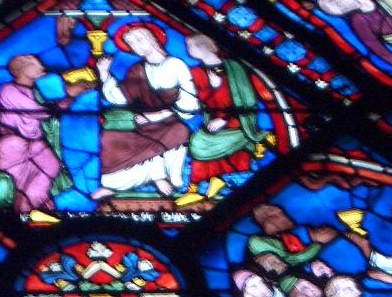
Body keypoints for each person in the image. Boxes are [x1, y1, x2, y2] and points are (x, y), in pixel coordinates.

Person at [96, 23, 198, 200]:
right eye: (131, 43)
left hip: (170, 123)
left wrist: (159, 115)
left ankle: (162, 177)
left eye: (139, 39)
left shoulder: (175, 64)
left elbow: (189, 102)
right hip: (142, 125)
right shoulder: (137, 70)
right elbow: (120, 98)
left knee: (179, 132)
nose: (136, 45)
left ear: (153, 38)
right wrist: (104, 73)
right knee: (107, 139)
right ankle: (116, 184)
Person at [183, 34, 271, 203]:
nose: (189, 50)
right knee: (200, 142)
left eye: (191, 46)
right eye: (188, 47)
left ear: (204, 46)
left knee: (200, 142)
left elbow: (247, 96)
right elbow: (202, 99)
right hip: (212, 117)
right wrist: (214, 88)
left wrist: (225, 118)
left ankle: (205, 183)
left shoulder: (235, 68)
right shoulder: (197, 72)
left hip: (239, 119)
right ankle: (199, 187)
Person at [0, 55, 69, 219]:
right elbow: (36, 111)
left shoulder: (35, 93)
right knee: (21, 182)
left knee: (52, 167)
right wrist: (66, 97)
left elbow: (51, 110)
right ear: (22, 70)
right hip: (12, 145)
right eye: (34, 64)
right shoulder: (8, 90)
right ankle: (26, 212)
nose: (41, 66)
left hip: (34, 143)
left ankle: (33, 205)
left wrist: (71, 97)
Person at [246, 203, 335, 294]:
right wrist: (319, 243)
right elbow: (291, 260)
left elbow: (291, 259)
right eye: (279, 215)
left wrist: (318, 241)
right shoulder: (256, 243)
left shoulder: (284, 238)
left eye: (282, 214)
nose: (288, 220)